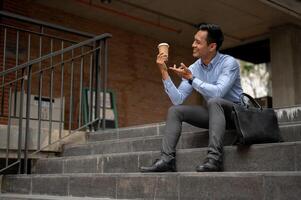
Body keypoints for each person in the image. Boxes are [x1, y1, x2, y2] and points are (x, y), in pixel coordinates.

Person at [140, 23, 243, 173]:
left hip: (235, 114)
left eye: (198, 42)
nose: (193, 45)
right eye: (194, 40)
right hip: (213, 114)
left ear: (212, 46)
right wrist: (163, 71)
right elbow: (178, 99)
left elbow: (218, 92)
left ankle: (214, 159)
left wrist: (192, 79)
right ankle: (166, 160)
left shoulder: (229, 63)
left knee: (214, 101)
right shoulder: (194, 67)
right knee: (175, 111)